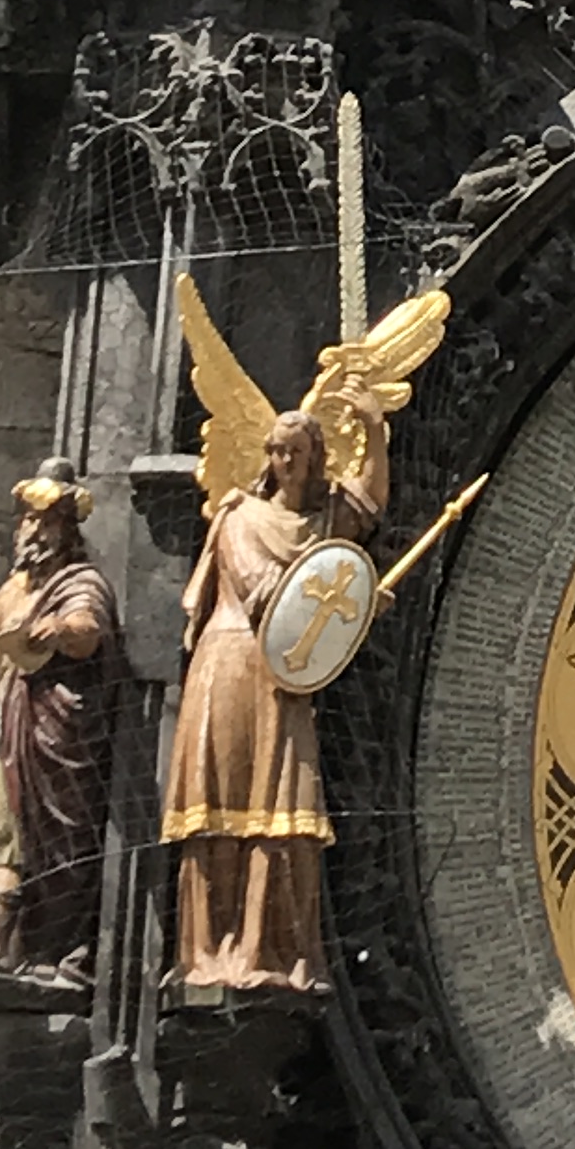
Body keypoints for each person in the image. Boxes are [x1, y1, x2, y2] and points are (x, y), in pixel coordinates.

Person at [163, 397, 387, 989]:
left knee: (288, 812)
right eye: (277, 451)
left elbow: (367, 507)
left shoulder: (322, 521)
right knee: (221, 806)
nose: (285, 461)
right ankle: (209, 953)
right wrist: (353, 601)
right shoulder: (239, 518)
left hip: (287, 678)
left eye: (297, 451)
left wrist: (372, 429)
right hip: (232, 663)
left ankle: (274, 952)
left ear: (315, 458)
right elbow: (267, 593)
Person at [0, 473, 120, 982]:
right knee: (0, 831)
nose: (34, 532)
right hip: (13, 733)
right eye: (29, 521)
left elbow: (88, 630)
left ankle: (64, 950)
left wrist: (56, 629)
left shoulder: (81, 582)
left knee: (63, 844)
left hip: (60, 738)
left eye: (47, 522)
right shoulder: (11, 592)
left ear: (67, 530)